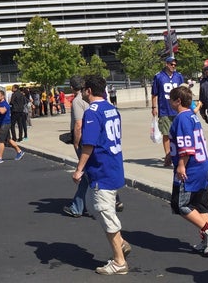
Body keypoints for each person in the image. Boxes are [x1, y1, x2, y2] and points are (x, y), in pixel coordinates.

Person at [72, 74, 130, 275]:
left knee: (105, 212)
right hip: (113, 164)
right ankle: (120, 243)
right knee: (93, 203)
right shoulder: (112, 108)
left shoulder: (92, 112)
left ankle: (119, 261)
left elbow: (88, 144)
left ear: (88, 91)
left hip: (101, 168)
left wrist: (79, 169)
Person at [168, 85, 208, 256]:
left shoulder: (181, 118)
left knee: (180, 204)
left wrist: (181, 165)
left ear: (178, 100)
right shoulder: (192, 117)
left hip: (191, 167)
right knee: (199, 204)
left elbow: (186, 146)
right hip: (202, 164)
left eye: (171, 99)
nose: (169, 102)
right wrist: (170, 154)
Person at [63, 75, 89, 218]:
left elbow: (78, 124)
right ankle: (115, 199)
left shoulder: (77, 101)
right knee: (92, 172)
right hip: (93, 139)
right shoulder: (88, 99)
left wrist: (76, 141)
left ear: (72, 87)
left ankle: (77, 207)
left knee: (85, 173)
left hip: (84, 140)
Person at [151, 56, 184, 166]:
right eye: (171, 64)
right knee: (166, 133)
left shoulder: (178, 76)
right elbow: (154, 93)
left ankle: (179, 154)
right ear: (166, 64)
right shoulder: (159, 76)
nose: (173, 66)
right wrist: (154, 107)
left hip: (177, 109)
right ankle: (168, 155)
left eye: (175, 64)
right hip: (165, 109)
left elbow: (184, 91)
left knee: (179, 133)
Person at [0, 89, 24, 164]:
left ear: (2, 96)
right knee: (8, 139)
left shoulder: (5, 104)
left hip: (5, 124)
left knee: (1, 141)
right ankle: (19, 151)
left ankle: (0, 158)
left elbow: (2, 111)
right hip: (2, 123)